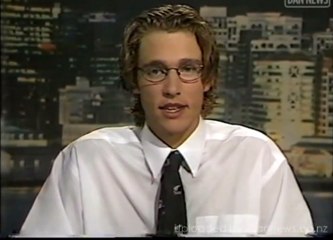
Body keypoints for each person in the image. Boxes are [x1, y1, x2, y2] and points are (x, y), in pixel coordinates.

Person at [18, 4, 314, 237]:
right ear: (134, 79)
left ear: (207, 78)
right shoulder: (85, 161)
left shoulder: (257, 158)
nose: (172, 88)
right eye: (156, 71)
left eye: (188, 69)